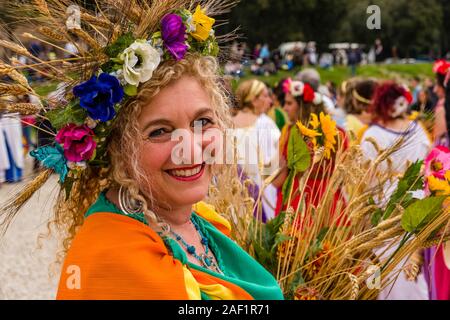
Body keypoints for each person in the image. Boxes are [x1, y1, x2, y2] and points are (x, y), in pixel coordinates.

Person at [0, 1, 283, 300]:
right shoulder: (113, 259)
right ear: (119, 148)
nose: (189, 148)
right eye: (159, 131)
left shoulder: (197, 219)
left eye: (203, 121)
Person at [360, 81, 431, 300]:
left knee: (388, 274)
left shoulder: (373, 134)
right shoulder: (417, 129)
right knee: (417, 274)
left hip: (385, 211)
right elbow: (428, 170)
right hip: (419, 206)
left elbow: (364, 185)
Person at [272, 78, 347, 220]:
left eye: (289, 103)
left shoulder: (290, 133)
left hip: (297, 202)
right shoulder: (339, 133)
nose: (285, 108)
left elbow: (278, 180)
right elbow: (345, 175)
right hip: (329, 201)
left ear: (303, 106)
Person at [233, 79, 281, 221]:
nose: (270, 101)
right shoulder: (264, 122)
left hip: (236, 193)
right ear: (253, 100)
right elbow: (273, 163)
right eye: (265, 96)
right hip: (262, 191)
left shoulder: (228, 122)